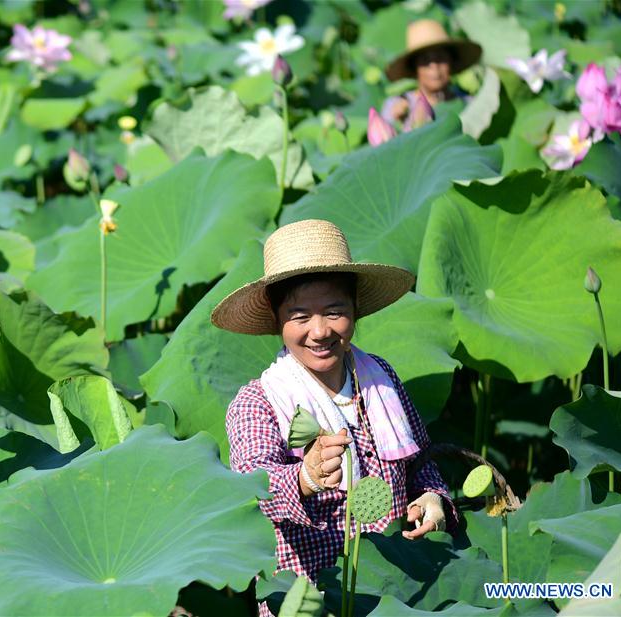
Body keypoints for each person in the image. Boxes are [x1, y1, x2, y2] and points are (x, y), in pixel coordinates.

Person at [211, 219, 456, 616]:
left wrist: (432, 497)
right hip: (308, 598)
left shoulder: (381, 378)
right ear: (277, 320)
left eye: (334, 311)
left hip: (396, 593)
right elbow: (251, 492)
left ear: (356, 311)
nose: (320, 331)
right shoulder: (257, 402)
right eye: (300, 316)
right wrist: (304, 479)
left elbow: (421, 461)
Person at [381, 19, 482, 128]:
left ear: (451, 62)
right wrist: (398, 123)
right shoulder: (396, 106)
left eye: (440, 58)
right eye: (426, 60)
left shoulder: (470, 102)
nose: (434, 66)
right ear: (415, 68)